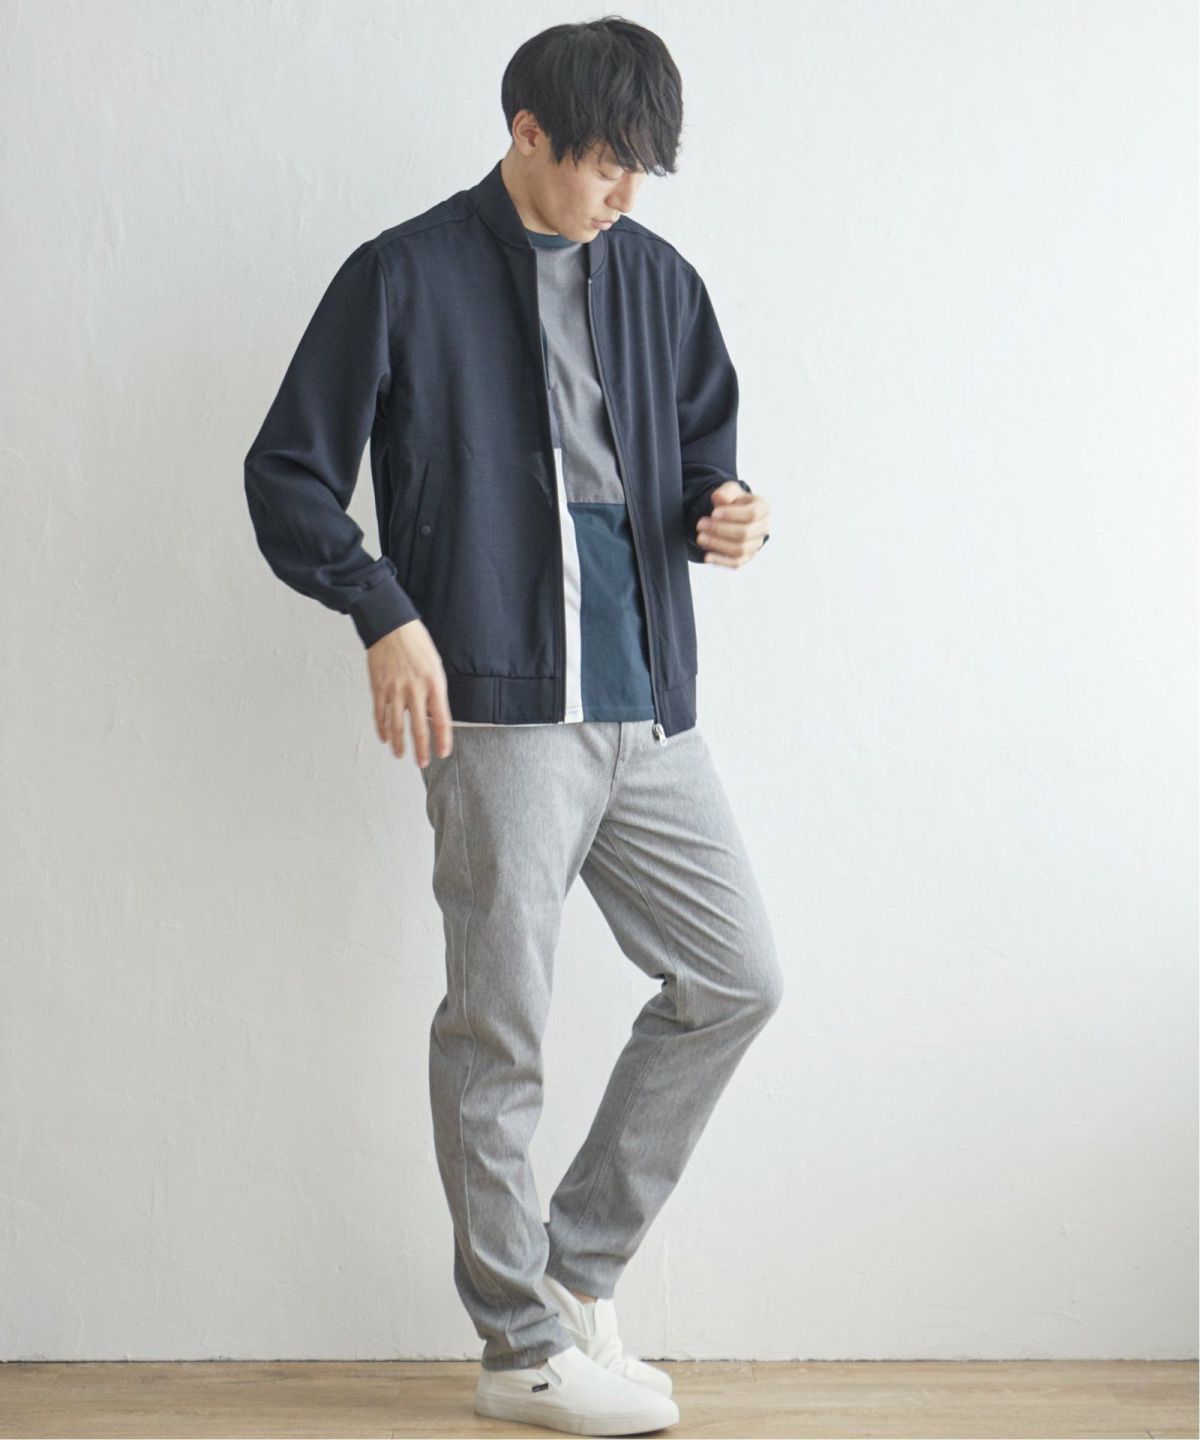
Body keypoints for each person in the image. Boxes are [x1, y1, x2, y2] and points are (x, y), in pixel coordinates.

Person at [243, 17, 781, 1436]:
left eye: (644, 169)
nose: (626, 194)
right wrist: (382, 609)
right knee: (501, 1031)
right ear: (527, 132)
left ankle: (573, 1276)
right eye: (606, 164)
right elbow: (287, 474)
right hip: (499, 707)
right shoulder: (402, 273)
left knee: (735, 979)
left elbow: (702, 460)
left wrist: (731, 513)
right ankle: (518, 1349)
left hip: (648, 704)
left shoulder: (658, 280)